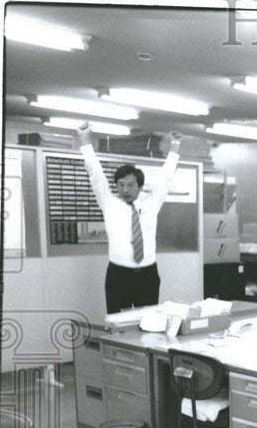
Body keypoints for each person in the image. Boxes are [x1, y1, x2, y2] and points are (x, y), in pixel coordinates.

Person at [77, 122, 183, 315]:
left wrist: (175, 146)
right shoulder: (109, 203)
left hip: (148, 275)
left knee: (149, 323)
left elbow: (165, 178)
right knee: (119, 324)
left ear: (140, 186)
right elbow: (95, 174)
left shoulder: (151, 204)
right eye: (120, 185)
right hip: (119, 275)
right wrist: (85, 140)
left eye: (131, 185)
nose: (125, 190)